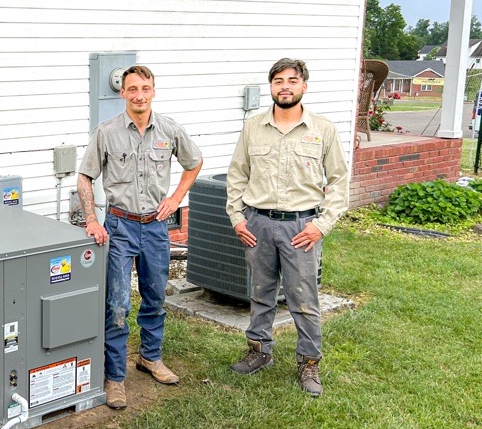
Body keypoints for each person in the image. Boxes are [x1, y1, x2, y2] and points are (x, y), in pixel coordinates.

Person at [77, 65, 202, 410]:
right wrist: (91, 219)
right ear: (123, 94)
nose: (139, 95)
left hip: (156, 228)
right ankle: (115, 376)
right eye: (132, 89)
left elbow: (194, 162)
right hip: (119, 227)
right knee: (117, 304)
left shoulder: (169, 129)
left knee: (154, 297)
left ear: (154, 91)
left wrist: (176, 199)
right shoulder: (107, 132)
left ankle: (151, 358)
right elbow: (85, 176)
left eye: (145, 88)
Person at [225, 58, 349, 397]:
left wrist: (321, 225)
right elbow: (237, 174)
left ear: (304, 86)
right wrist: (238, 218)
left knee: (303, 299)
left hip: (301, 229)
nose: (285, 86)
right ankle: (259, 351)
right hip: (259, 225)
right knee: (261, 293)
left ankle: (309, 363)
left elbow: (339, 181)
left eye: (292, 80)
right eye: (278, 80)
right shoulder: (253, 127)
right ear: (271, 87)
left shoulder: (322, 130)